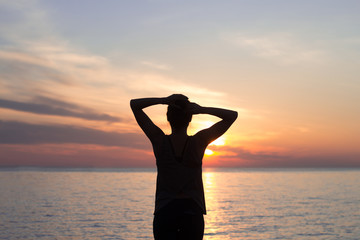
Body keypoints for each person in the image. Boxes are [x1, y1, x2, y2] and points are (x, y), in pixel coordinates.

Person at [130, 94, 237, 240]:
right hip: (192, 212)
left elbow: (134, 105)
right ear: (190, 118)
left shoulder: (159, 140)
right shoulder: (199, 141)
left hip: (165, 211)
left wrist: (163, 101)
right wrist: (201, 109)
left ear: (168, 118)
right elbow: (232, 116)